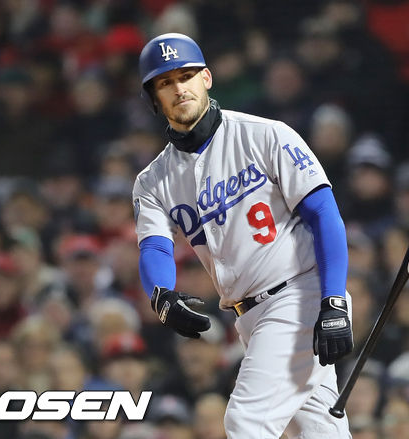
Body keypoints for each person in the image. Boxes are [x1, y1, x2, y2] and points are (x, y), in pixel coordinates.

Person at [132, 33, 353, 438]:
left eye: (186, 76)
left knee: (245, 422)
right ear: (153, 99)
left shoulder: (266, 135)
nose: (179, 88)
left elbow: (323, 214)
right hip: (249, 317)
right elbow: (155, 246)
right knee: (319, 432)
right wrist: (161, 294)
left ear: (207, 78)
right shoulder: (152, 181)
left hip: (299, 296)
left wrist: (333, 300)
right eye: (165, 82)